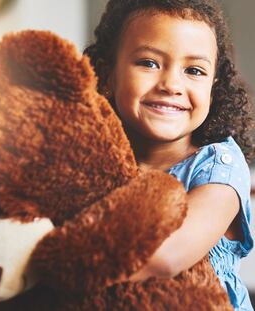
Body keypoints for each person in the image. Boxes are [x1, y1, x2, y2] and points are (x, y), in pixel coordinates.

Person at [84, 0, 254, 310]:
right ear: (108, 74)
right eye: (149, 63)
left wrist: (47, 261)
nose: (171, 84)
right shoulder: (96, 157)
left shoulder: (219, 166)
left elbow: (163, 255)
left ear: (214, 88)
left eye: (194, 70)